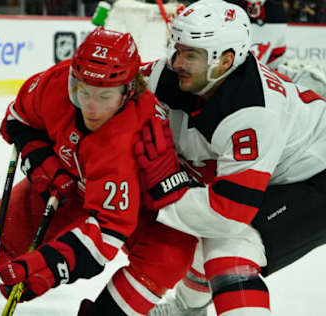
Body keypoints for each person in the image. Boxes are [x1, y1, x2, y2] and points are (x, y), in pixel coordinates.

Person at [0, 27, 198, 316]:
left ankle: (178, 310)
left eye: (105, 97)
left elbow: (105, 235)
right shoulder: (55, 84)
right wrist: (44, 166)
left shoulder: (126, 136)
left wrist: (45, 267)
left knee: (167, 258)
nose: (92, 107)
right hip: (68, 184)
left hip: (140, 206)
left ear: (129, 91)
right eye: (83, 92)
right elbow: (17, 119)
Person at [100, 0, 326, 316]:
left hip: (316, 175)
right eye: (176, 48)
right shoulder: (168, 75)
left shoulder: (252, 113)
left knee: (232, 249)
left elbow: (229, 213)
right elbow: (105, 86)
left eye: (190, 54)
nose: (176, 61)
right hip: (274, 169)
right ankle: (187, 310)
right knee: (200, 231)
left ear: (226, 61)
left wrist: (166, 190)